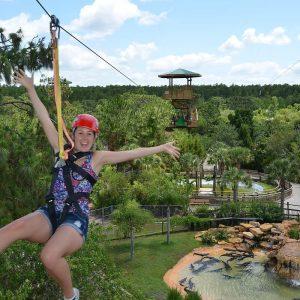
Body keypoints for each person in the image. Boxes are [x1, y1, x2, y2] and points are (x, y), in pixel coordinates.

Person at [0, 70, 180, 300]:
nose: (84, 138)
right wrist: (31, 89)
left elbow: (132, 152)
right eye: (80, 133)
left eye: (90, 134)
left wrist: (161, 147)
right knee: (9, 230)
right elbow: (45, 118)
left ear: (95, 138)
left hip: (75, 220)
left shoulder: (98, 158)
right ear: (72, 134)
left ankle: (70, 296)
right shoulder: (61, 151)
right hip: (50, 213)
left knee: (49, 256)